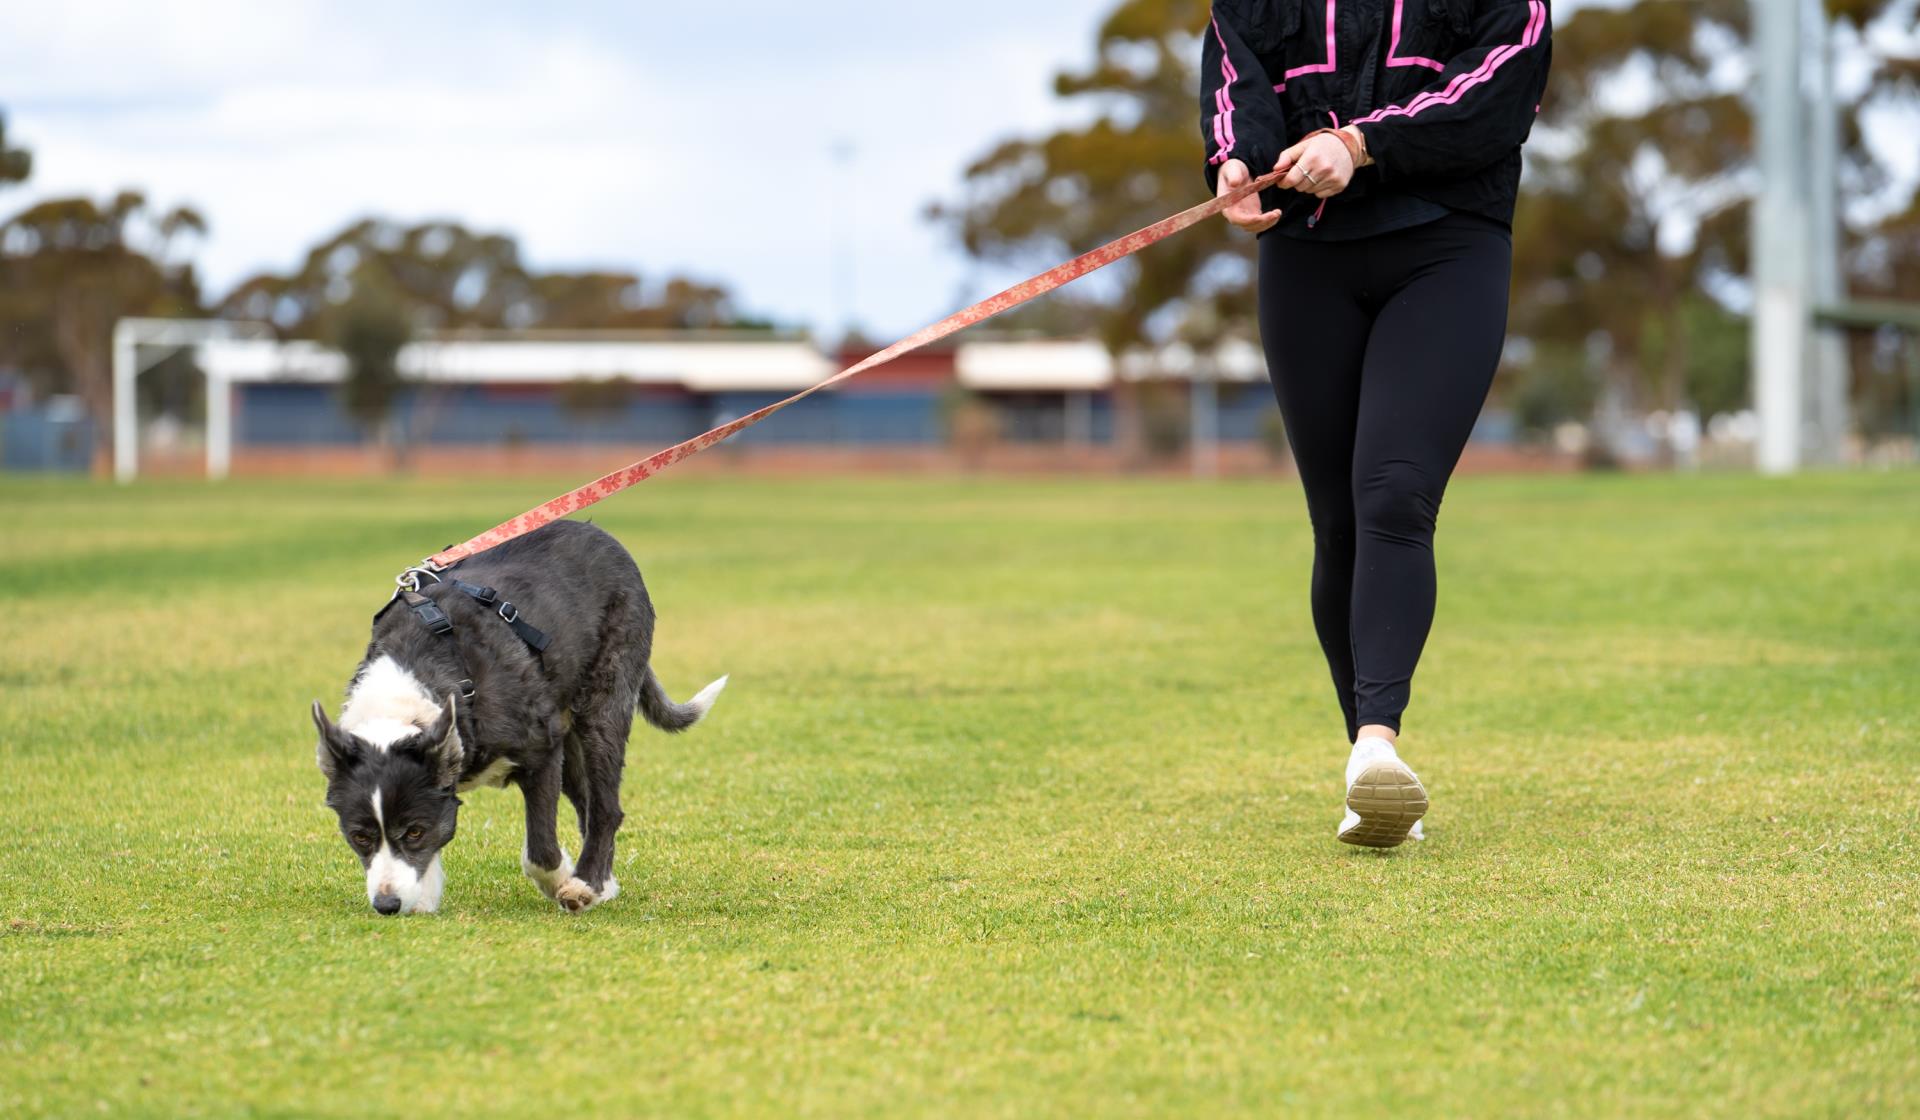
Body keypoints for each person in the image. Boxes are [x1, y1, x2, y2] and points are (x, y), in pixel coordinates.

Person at [1199, 0, 1552, 847]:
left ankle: (1376, 742)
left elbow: (1498, 93)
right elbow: (1233, 74)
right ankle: (1370, 775)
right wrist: (1238, 162)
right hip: (1305, 255)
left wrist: (1360, 142)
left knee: (1394, 491)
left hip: (1446, 245)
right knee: (1340, 522)